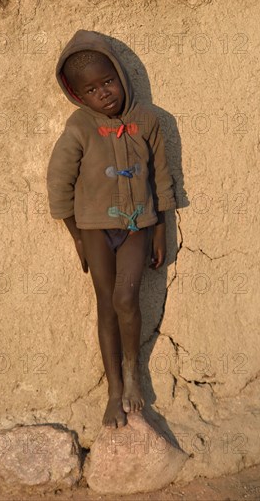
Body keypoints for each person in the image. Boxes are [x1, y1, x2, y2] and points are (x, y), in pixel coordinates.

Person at [47, 30, 176, 428]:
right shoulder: (80, 126)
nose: (104, 93)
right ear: (77, 94)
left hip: (138, 225)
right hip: (94, 230)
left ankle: (134, 373)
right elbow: (58, 182)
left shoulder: (148, 120)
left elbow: (162, 177)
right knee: (106, 303)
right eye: (91, 89)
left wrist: (160, 229)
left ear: (121, 75)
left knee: (126, 299)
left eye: (108, 81)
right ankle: (114, 391)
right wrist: (76, 237)